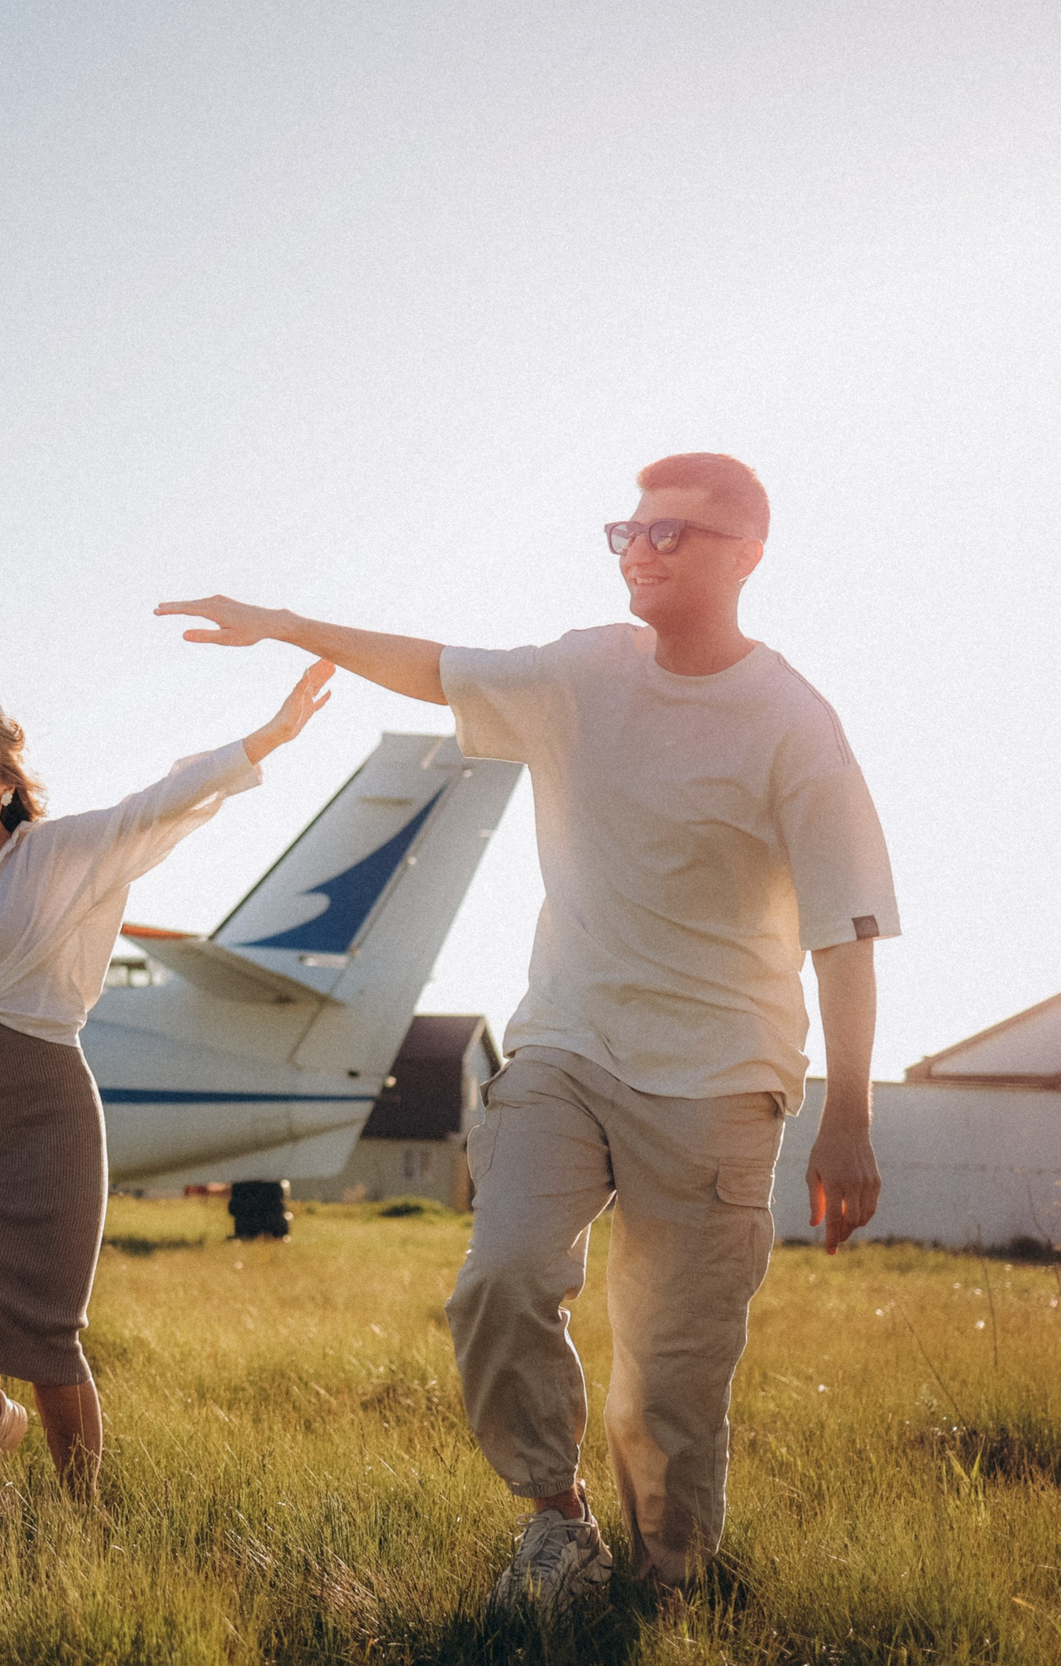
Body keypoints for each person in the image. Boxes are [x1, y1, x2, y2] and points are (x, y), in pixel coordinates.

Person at [155, 453, 895, 1611]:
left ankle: (664, 1589)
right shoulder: (581, 669)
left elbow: (846, 931)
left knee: (667, 1377)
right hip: (563, 1047)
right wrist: (283, 621)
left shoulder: (789, 720)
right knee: (499, 1276)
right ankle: (556, 1525)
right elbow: (434, 667)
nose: (641, 549)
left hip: (720, 1077)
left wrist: (848, 1114)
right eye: (629, 529)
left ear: (747, 554)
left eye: (674, 534)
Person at [0, 662, 336, 1504]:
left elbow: (153, 807)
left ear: (6, 782)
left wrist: (265, 739)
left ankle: (82, 1522)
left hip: (48, 1110)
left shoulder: (58, 854)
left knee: (50, 1337)